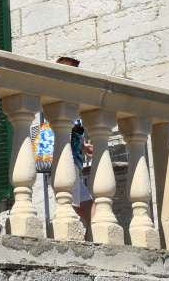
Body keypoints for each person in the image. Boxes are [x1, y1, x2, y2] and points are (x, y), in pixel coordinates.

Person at [56, 55, 94, 234]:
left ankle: (91, 241)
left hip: (75, 162)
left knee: (88, 206)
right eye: (71, 70)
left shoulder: (73, 99)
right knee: (76, 208)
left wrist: (83, 146)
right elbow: (56, 127)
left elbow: (73, 131)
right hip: (65, 163)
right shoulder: (56, 96)